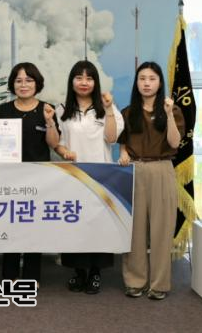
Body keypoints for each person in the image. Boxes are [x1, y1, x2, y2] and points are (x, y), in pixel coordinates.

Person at [53, 60, 124, 295]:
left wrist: (109, 108)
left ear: (95, 82)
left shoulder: (106, 109)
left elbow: (112, 139)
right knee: (75, 223)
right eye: (79, 77)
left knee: (99, 224)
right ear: (72, 81)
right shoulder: (62, 109)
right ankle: (78, 272)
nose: (84, 82)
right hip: (73, 177)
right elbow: (57, 143)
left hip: (101, 177)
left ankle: (95, 272)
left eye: (89, 78)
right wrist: (64, 151)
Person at [118, 61, 184, 301]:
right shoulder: (128, 112)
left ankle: (159, 284)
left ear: (159, 83)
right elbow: (122, 141)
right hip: (134, 170)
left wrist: (168, 114)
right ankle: (135, 281)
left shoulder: (172, 110)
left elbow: (175, 142)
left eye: (152, 79)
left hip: (161, 169)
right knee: (134, 229)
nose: (146, 83)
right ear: (137, 83)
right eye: (142, 78)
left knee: (161, 229)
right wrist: (123, 152)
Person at [0, 62, 59, 286]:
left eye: (29, 80)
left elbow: (53, 143)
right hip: (10, 178)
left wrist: (49, 121)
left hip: (38, 179)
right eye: (19, 80)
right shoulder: (3, 110)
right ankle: (9, 275)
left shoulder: (47, 109)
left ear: (37, 83)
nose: (24, 85)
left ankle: (32, 277)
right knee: (11, 225)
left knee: (34, 228)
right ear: (13, 84)